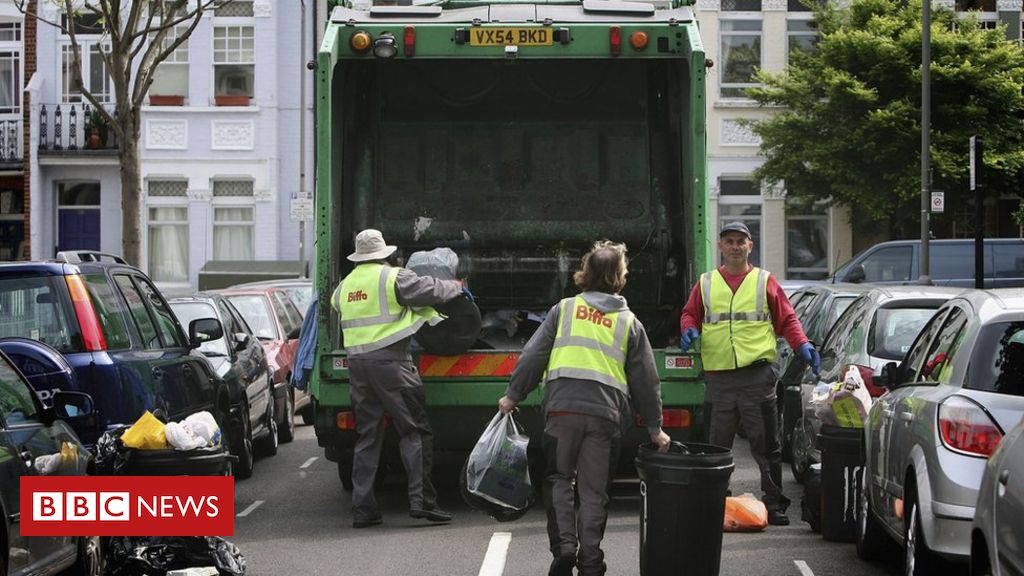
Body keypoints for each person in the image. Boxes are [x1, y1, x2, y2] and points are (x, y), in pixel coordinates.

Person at [498, 240, 671, 576]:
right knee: (594, 490)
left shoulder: (563, 310)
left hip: (562, 411)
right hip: (604, 417)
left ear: (585, 273)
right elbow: (646, 381)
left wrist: (512, 395)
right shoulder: (630, 323)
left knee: (560, 478)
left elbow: (533, 357)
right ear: (620, 278)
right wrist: (655, 427)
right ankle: (591, 561)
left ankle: (565, 546)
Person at [679, 221, 819, 527]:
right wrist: (688, 328)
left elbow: (787, 319)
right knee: (715, 447)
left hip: (756, 376)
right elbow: (691, 312)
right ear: (720, 246)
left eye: (740, 242)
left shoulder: (764, 281)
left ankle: (774, 503)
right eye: (728, 241)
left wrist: (803, 345)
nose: (734, 247)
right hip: (719, 379)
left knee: (766, 444)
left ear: (749, 246)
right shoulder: (705, 283)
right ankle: (715, 501)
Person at [331, 228, 469, 529]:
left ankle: (363, 509)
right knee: (415, 432)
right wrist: (457, 287)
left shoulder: (343, 288)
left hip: (358, 367)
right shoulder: (392, 277)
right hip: (392, 365)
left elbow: (338, 308)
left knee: (368, 438)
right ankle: (422, 502)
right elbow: (431, 290)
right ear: (384, 253)